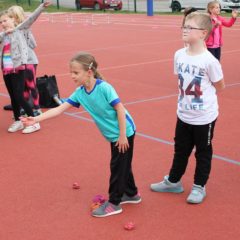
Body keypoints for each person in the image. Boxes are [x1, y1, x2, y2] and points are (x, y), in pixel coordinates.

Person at [21, 52, 141, 217]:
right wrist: (36, 119)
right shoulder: (80, 93)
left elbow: (120, 109)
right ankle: (132, 193)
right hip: (114, 134)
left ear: (89, 72)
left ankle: (114, 203)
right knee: (122, 163)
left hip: (124, 131)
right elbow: (59, 109)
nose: (72, 76)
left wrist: (122, 136)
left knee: (117, 166)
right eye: (71, 72)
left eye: (76, 73)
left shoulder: (104, 88)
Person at [150, 12, 225, 204]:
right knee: (180, 149)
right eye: (183, 26)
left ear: (203, 33)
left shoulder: (209, 61)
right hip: (183, 114)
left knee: (203, 151)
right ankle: (174, 181)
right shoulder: (179, 55)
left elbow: (220, 86)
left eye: (189, 27)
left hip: (204, 117)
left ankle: (199, 186)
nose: (184, 29)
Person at [0, 2, 50, 133]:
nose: (2, 24)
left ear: (13, 19)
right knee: (13, 96)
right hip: (6, 70)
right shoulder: (3, 36)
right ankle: (18, 120)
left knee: (19, 96)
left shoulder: (20, 30)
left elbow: (31, 18)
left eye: (4, 20)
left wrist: (41, 7)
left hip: (18, 69)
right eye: (1, 22)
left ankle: (34, 121)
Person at [6, 5, 42, 116]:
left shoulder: (24, 29)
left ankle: (37, 108)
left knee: (31, 85)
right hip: (20, 62)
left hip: (29, 60)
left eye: (11, 17)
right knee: (23, 87)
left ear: (16, 18)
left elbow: (33, 44)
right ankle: (25, 108)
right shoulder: (9, 31)